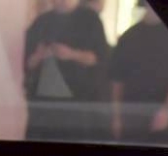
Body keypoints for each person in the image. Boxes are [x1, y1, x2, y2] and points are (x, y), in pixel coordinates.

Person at [109, 3, 168, 146]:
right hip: (132, 115)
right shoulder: (128, 36)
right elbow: (117, 80)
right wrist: (116, 117)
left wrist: (167, 110)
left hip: (167, 117)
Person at [24, 0, 110, 141]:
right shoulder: (42, 21)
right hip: (43, 103)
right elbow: (28, 63)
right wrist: (40, 55)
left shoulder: (90, 19)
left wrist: (71, 54)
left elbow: (99, 58)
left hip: (77, 101)